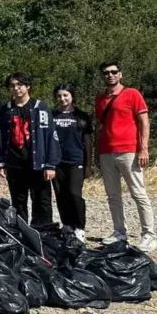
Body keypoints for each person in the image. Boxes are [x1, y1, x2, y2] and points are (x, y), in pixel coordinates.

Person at [94, 61, 154, 250]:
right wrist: (96, 152)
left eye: (114, 72)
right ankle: (119, 231)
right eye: (106, 73)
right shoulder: (100, 99)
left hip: (129, 150)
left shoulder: (132, 94)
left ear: (120, 74)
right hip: (106, 151)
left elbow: (144, 121)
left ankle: (149, 234)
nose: (110, 75)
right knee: (113, 195)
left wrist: (143, 148)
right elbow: (101, 126)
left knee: (138, 193)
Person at [0, 72, 59, 229]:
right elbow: (0, 139)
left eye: (20, 85)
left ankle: (44, 231)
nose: (16, 88)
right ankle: (23, 232)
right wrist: (2, 162)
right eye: (12, 86)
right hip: (15, 163)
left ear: (28, 87)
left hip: (37, 162)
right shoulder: (5, 110)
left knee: (41, 198)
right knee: (18, 200)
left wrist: (50, 164)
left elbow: (50, 136)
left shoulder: (40, 107)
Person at [52, 84, 92, 242]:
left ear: (72, 96)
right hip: (57, 162)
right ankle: (67, 224)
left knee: (74, 194)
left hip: (76, 161)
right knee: (61, 194)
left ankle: (80, 227)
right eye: (59, 96)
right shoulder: (52, 115)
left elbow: (88, 140)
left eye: (65, 95)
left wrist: (88, 165)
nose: (62, 99)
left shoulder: (81, 116)